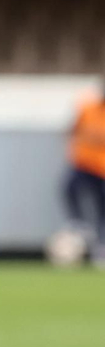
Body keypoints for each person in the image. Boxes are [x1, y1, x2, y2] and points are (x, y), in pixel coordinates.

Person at [60, 77, 105, 268]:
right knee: (69, 187)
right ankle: (78, 222)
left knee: (101, 207)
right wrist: (70, 150)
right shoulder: (87, 108)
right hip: (84, 163)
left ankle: (100, 246)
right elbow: (72, 129)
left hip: (102, 169)